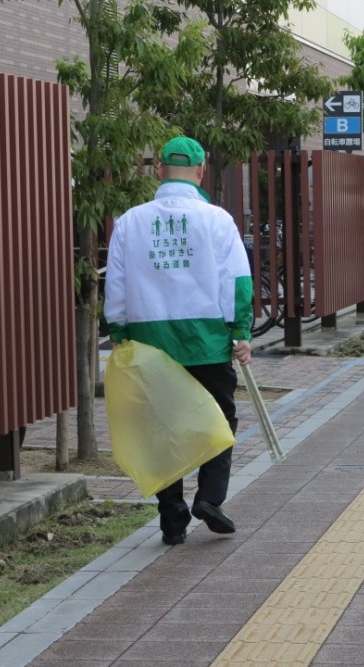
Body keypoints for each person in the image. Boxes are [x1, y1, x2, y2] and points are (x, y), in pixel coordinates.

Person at [104, 135, 253, 544]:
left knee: (160, 428)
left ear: (158, 170)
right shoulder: (217, 220)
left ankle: (172, 518)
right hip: (207, 341)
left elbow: (115, 285)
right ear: (201, 170)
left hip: (150, 344)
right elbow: (238, 281)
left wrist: (118, 332)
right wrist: (240, 331)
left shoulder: (130, 222)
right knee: (218, 418)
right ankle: (210, 497)